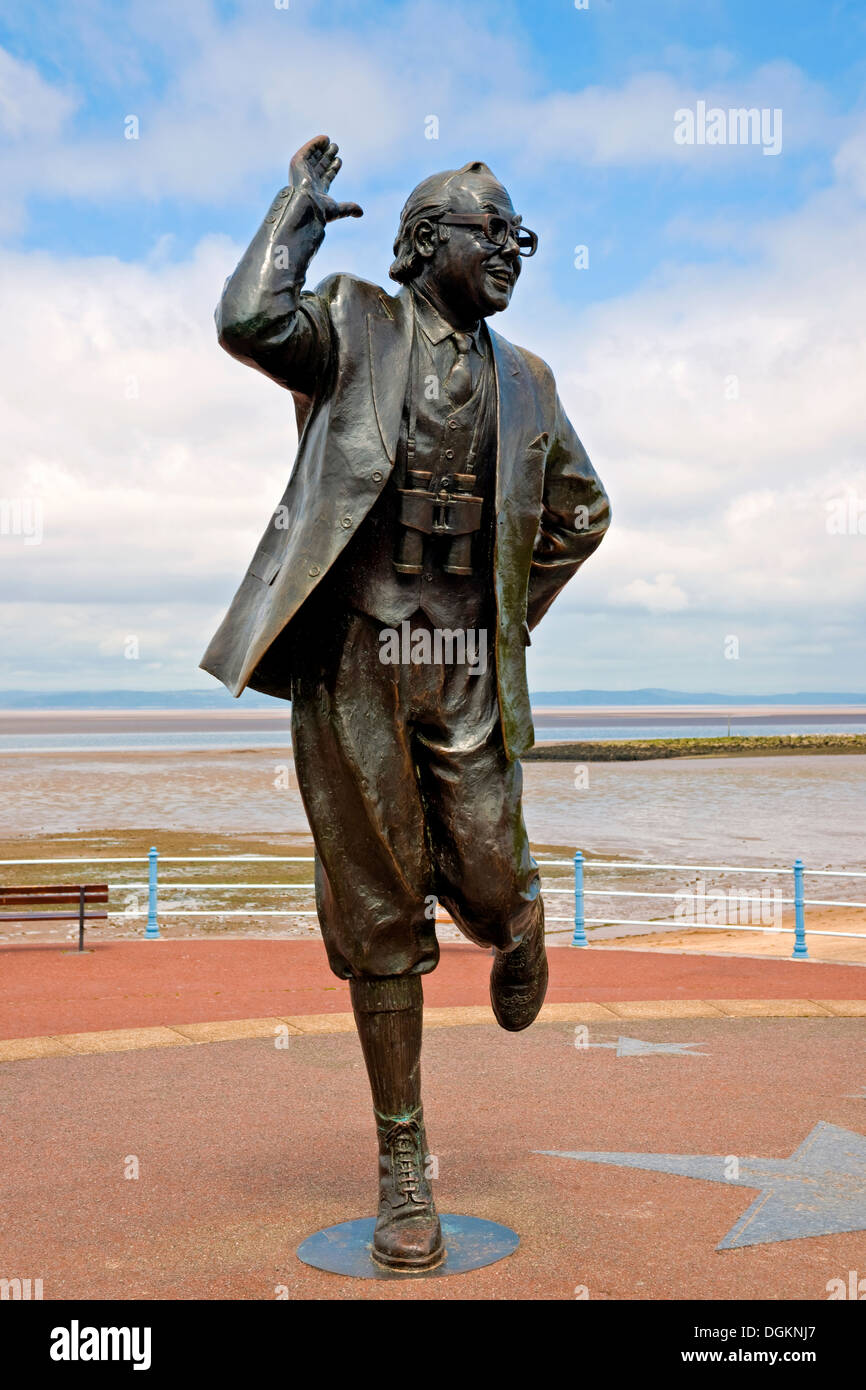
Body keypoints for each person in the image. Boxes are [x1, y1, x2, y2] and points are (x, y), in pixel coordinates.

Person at [202, 135, 611, 1270]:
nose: (515, 254)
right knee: (380, 918)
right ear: (429, 243)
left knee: (483, 869)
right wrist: (293, 212)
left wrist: (510, 608)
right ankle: (401, 1163)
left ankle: (516, 919)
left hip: (467, 656)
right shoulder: (351, 325)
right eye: (497, 235)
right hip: (353, 661)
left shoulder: (527, 377)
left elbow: (584, 510)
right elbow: (244, 321)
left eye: (522, 238)